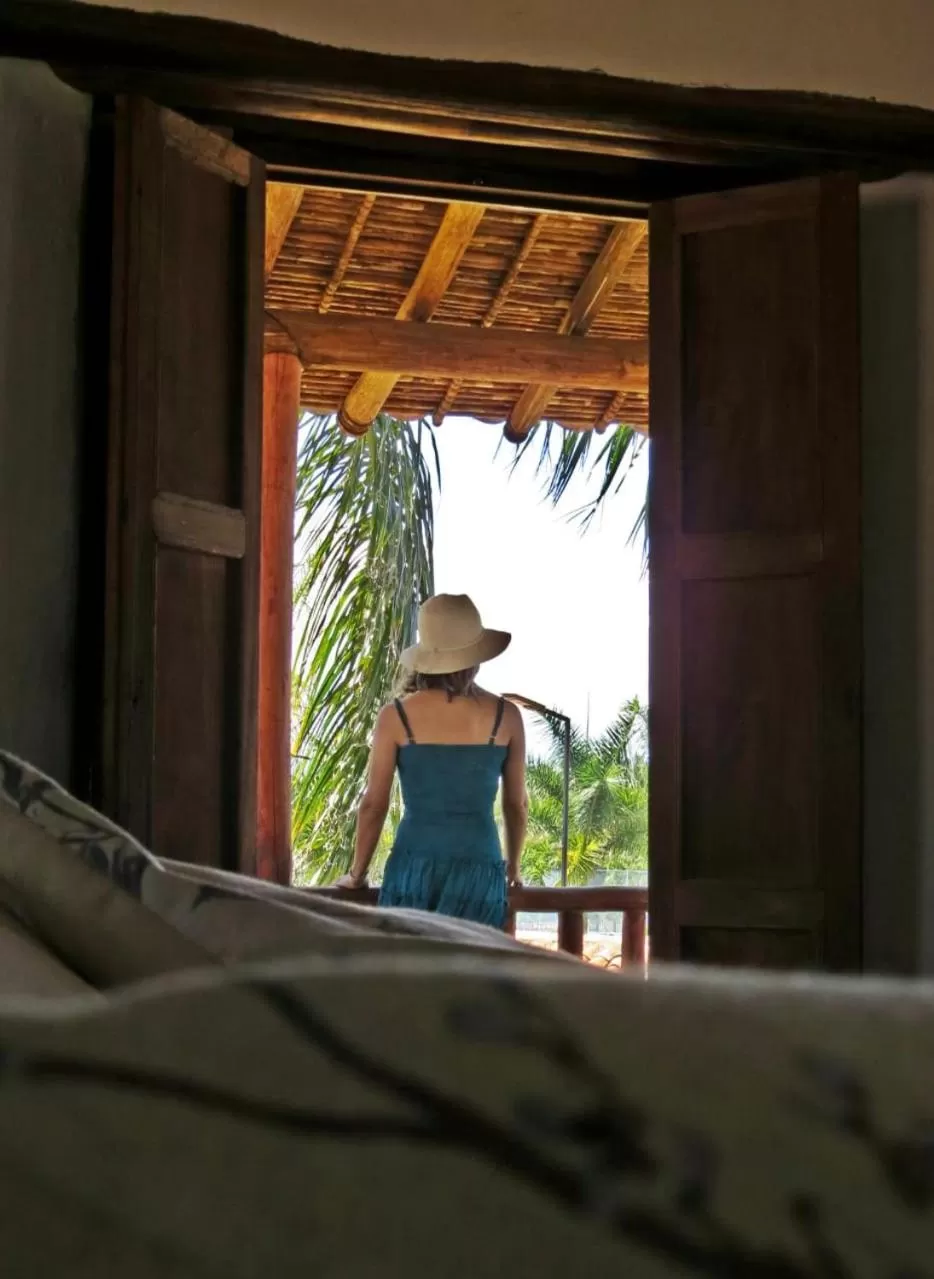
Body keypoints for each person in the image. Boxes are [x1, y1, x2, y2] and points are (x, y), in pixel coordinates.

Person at [336, 594, 528, 927]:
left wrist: (357, 874)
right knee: (471, 974)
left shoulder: (395, 716)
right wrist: (513, 867)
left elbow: (373, 805)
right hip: (479, 868)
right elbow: (516, 805)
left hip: (413, 866)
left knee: (410, 975)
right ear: (476, 657)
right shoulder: (506, 716)